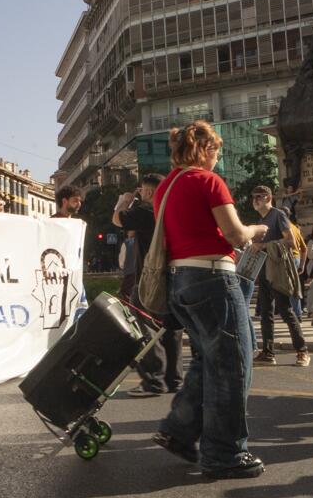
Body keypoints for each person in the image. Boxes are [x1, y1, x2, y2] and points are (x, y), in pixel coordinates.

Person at [150, 121, 268, 478]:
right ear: (205, 150)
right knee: (234, 366)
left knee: (207, 361)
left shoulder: (165, 188)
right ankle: (225, 454)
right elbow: (234, 234)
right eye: (217, 151)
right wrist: (256, 229)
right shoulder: (207, 181)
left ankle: (179, 430)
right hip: (213, 278)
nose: (218, 158)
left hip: (181, 281)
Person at [114, 173, 184, 394]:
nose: (141, 192)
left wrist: (125, 201)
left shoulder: (146, 209)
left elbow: (118, 220)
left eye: (143, 189)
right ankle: (174, 379)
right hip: (173, 274)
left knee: (142, 323)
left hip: (149, 277)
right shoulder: (170, 210)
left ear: (150, 191)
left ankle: (154, 379)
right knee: (171, 327)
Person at [246, 186, 310, 367]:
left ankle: (302, 351)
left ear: (268, 197)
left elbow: (290, 241)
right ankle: (268, 353)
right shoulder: (262, 219)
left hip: (278, 270)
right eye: (253, 197)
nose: (254, 200)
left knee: (285, 310)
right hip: (264, 269)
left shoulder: (278, 215)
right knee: (266, 313)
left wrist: (263, 245)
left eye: (258, 197)